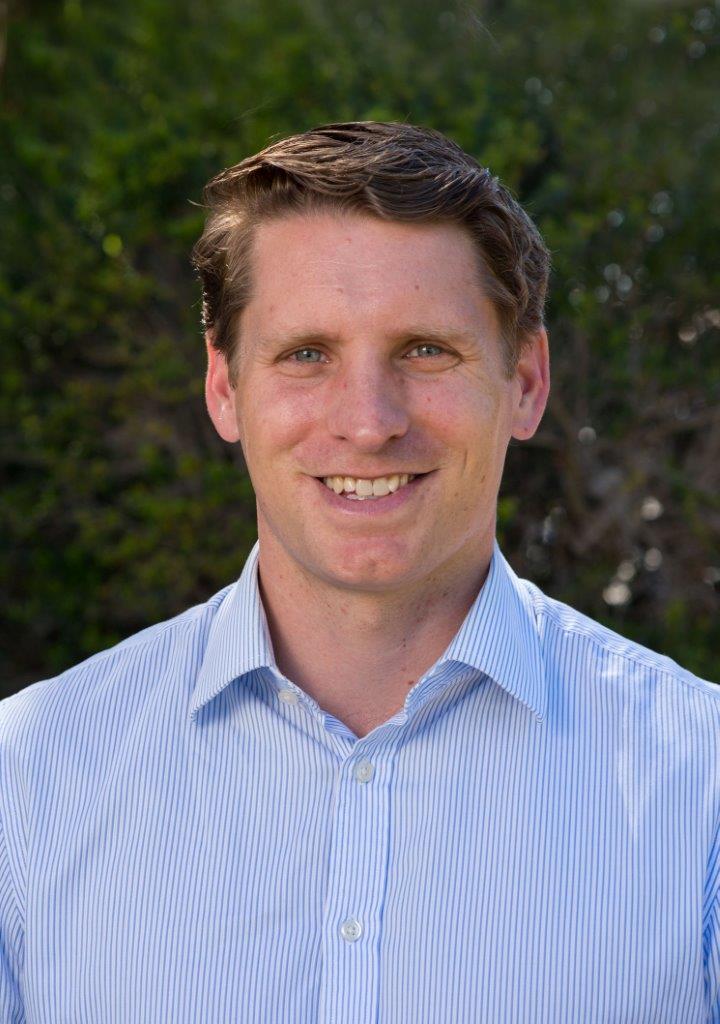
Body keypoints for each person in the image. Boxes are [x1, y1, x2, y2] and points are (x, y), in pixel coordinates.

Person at [1, 121, 718, 1023]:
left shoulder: (703, 791)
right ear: (225, 390)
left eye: (426, 350)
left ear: (527, 382)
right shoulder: (27, 779)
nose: (369, 420)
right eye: (307, 354)